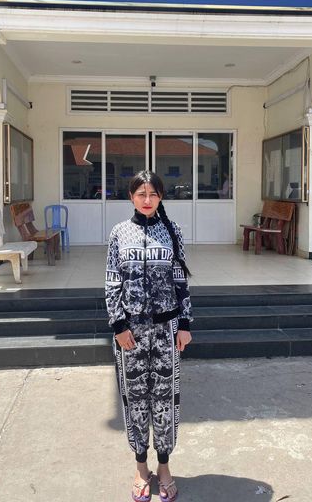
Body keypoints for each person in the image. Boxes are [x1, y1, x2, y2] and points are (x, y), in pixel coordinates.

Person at [105, 170, 193, 502]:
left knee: (166, 401)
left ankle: (165, 466)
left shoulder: (172, 231)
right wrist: (118, 325)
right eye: (141, 194)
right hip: (131, 334)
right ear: (131, 197)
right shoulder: (119, 233)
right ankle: (141, 467)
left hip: (166, 331)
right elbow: (112, 281)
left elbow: (181, 281)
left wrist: (184, 324)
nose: (146, 200)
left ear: (161, 197)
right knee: (135, 399)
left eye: (153, 194)